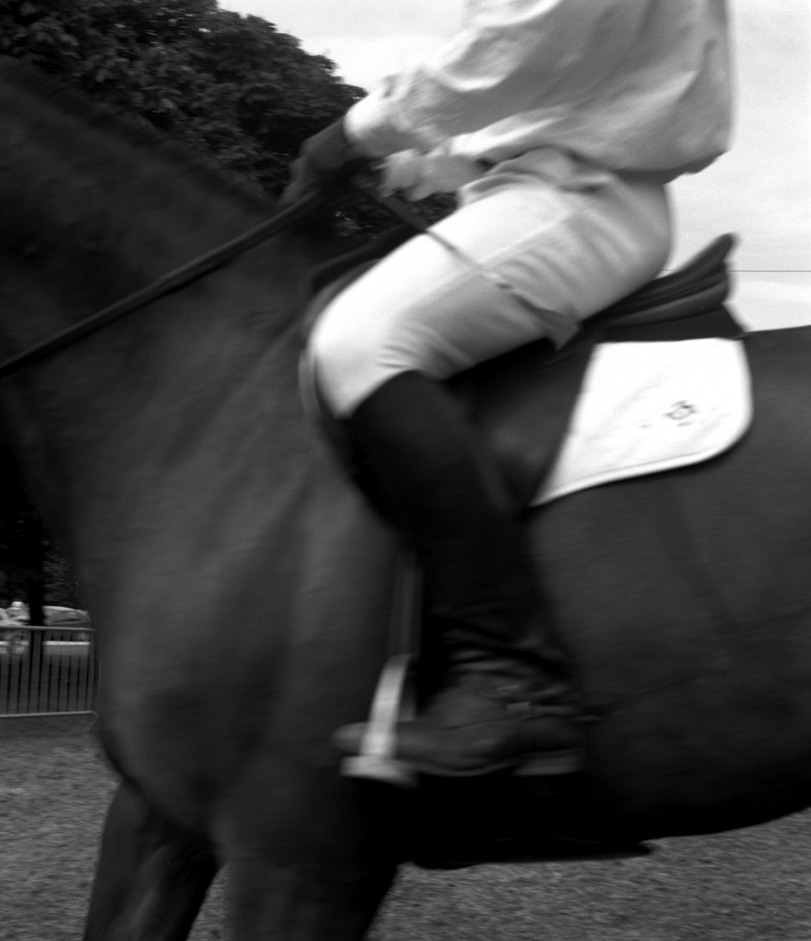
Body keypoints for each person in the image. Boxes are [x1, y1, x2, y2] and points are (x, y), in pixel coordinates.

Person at [287, 0, 731, 779]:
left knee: (362, 343)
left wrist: (352, 134)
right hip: (546, 185)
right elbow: (552, 88)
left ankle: (515, 684)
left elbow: (520, 41)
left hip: (584, 196)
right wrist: (426, 161)